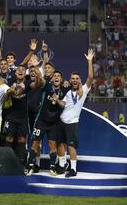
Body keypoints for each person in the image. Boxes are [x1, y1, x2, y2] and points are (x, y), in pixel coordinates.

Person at [55, 49, 94, 177]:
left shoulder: (84, 90)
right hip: (61, 122)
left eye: (77, 78)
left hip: (72, 123)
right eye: (73, 78)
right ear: (70, 81)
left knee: (71, 146)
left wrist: (89, 61)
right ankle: (62, 165)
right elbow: (63, 105)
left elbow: (91, 77)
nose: (75, 80)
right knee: (60, 144)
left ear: (79, 80)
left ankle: (73, 169)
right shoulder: (68, 92)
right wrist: (58, 100)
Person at [26, 70, 68, 176]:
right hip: (41, 121)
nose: (56, 77)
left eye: (59, 76)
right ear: (52, 79)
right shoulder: (47, 87)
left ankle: (53, 167)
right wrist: (37, 70)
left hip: (54, 123)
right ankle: (30, 165)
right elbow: (41, 79)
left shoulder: (65, 90)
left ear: (61, 79)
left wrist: (58, 99)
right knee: (35, 144)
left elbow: (64, 104)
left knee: (52, 145)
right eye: (55, 76)